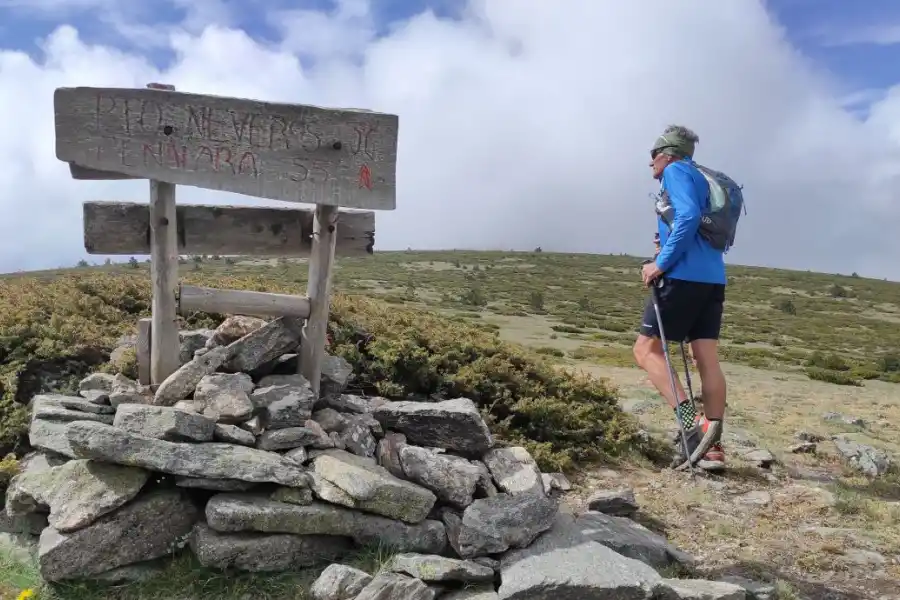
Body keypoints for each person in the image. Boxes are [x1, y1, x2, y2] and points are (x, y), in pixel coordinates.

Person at [633, 125, 727, 472]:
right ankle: (712, 446)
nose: (651, 163)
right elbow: (695, 225)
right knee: (707, 359)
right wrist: (667, 243)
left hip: (682, 278)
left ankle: (692, 427)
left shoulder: (676, 172)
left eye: (653, 155)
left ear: (667, 154)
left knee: (645, 351)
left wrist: (660, 263)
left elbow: (687, 216)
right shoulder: (703, 178)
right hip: (713, 279)